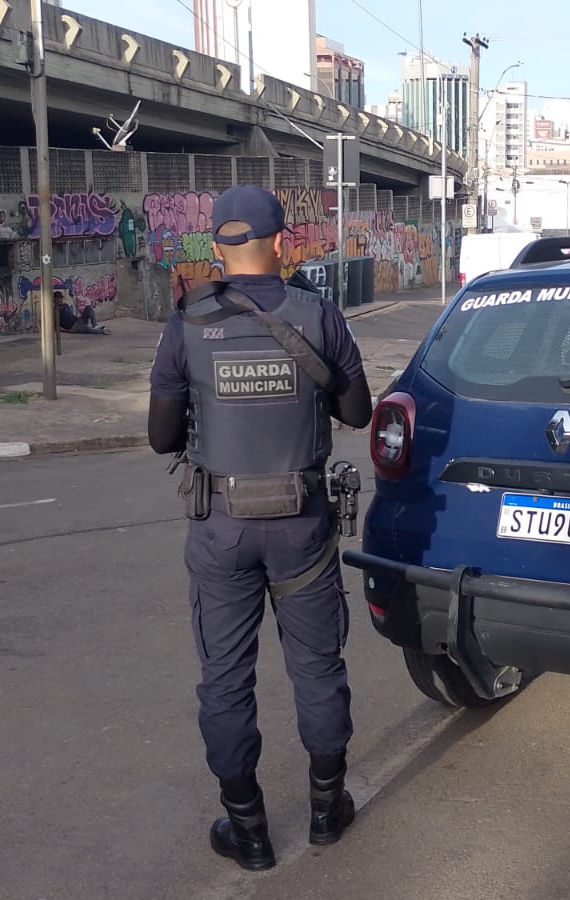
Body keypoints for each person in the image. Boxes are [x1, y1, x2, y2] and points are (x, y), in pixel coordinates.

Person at [147, 185, 373, 871]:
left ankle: (247, 831)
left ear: (216, 247)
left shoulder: (188, 322)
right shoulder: (320, 315)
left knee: (224, 678)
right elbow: (359, 414)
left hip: (220, 527)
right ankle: (327, 809)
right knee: (317, 668)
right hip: (301, 524)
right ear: (283, 243)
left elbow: (161, 438)